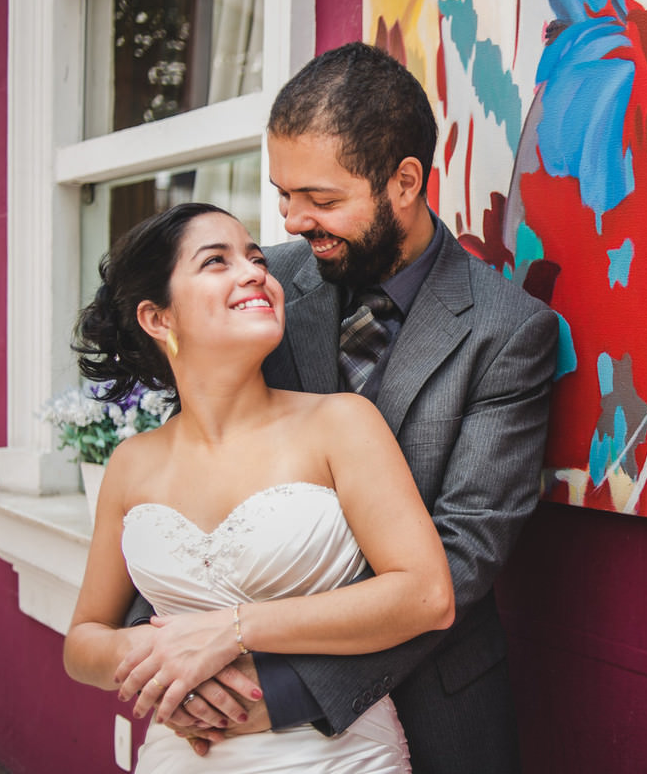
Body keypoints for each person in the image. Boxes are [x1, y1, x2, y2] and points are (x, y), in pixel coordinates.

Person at [169, 42, 559, 773]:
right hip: (225, 709)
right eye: (283, 194)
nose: (291, 222)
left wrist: (282, 691)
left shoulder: (508, 331)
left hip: (435, 709)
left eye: (320, 200)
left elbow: (464, 555)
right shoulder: (262, 288)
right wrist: (165, 650)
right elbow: (180, 468)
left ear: (404, 181)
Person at [63, 202, 456, 772]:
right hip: (181, 756)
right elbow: (82, 642)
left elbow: (426, 595)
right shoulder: (132, 463)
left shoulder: (341, 423)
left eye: (255, 258)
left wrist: (229, 631)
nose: (254, 272)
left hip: (334, 755)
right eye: (216, 261)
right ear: (158, 318)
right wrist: (157, 655)